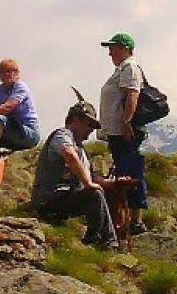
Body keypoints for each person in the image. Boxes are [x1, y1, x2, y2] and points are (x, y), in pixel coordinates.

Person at [30, 97, 118, 250]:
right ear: (75, 120)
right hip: (49, 199)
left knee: (103, 193)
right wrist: (88, 184)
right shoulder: (62, 135)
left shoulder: (81, 149)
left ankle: (99, 238)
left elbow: (92, 176)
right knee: (94, 195)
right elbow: (69, 154)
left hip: (64, 199)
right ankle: (104, 242)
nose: (91, 129)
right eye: (89, 124)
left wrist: (115, 184)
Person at [99, 32, 148, 211]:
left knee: (129, 172)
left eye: (113, 49)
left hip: (124, 131)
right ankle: (125, 213)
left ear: (124, 48)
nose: (110, 53)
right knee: (124, 171)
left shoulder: (130, 68)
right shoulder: (122, 69)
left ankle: (134, 216)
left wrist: (126, 121)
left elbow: (132, 94)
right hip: (117, 131)